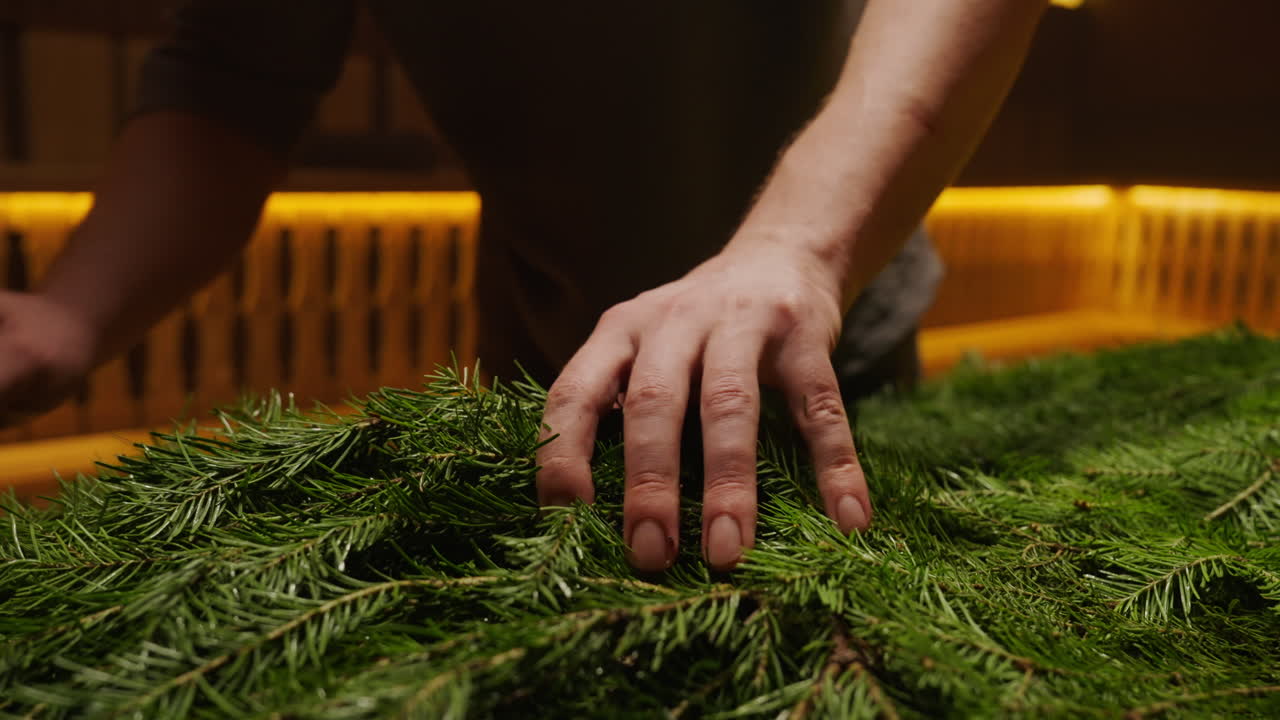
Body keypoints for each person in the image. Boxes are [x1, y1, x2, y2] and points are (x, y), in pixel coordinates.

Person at [0, 1, 1045, 572]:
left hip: (826, 352)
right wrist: (71, 311)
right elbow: (235, 76)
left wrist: (799, 249)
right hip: (541, 377)